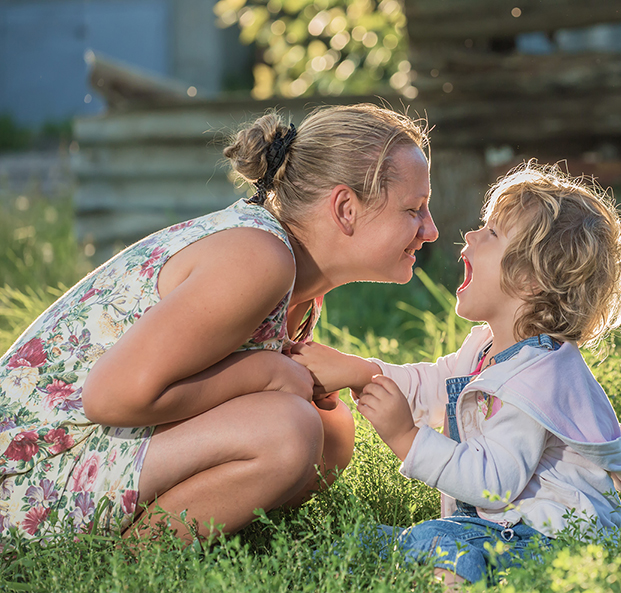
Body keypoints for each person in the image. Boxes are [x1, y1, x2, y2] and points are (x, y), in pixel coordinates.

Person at [0, 104, 438, 544]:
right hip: (29, 467)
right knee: (288, 431)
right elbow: (108, 397)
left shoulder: (300, 287)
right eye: (414, 209)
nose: (431, 229)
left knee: (332, 432)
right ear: (345, 208)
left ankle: (207, 537)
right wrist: (267, 372)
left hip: (87, 447)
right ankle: (118, 566)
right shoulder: (257, 257)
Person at [290, 162, 621, 585]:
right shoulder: (486, 348)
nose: (471, 236)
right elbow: (434, 383)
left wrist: (406, 438)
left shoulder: (535, 379)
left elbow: (492, 482)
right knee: (383, 539)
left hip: (547, 541)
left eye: (492, 233)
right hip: (500, 528)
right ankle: (436, 562)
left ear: (530, 279)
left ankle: (455, 576)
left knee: (437, 541)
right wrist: (360, 371)